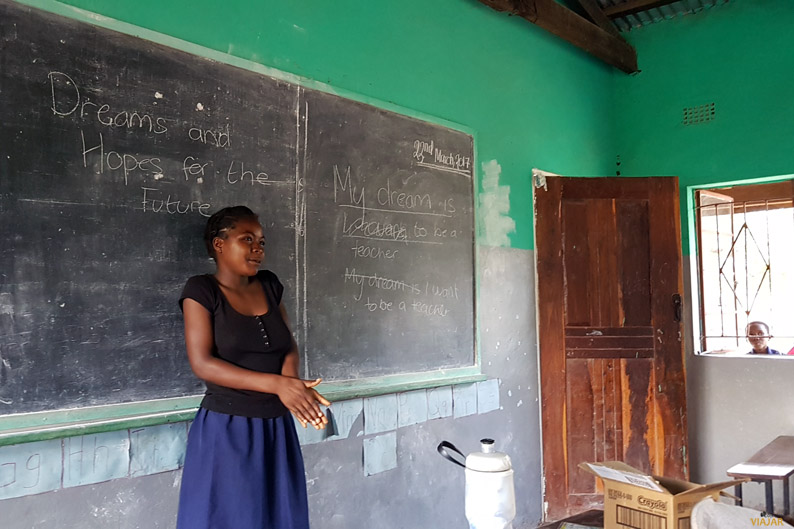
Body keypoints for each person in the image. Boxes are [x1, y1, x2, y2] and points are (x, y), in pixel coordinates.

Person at [176, 206, 330, 529]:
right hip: (228, 430)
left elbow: (287, 345)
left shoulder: (270, 285)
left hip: (276, 428)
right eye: (247, 239)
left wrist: (292, 386)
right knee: (228, 519)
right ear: (220, 244)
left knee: (280, 518)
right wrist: (277, 385)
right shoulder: (202, 291)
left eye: (261, 241)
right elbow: (203, 363)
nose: (258, 249)